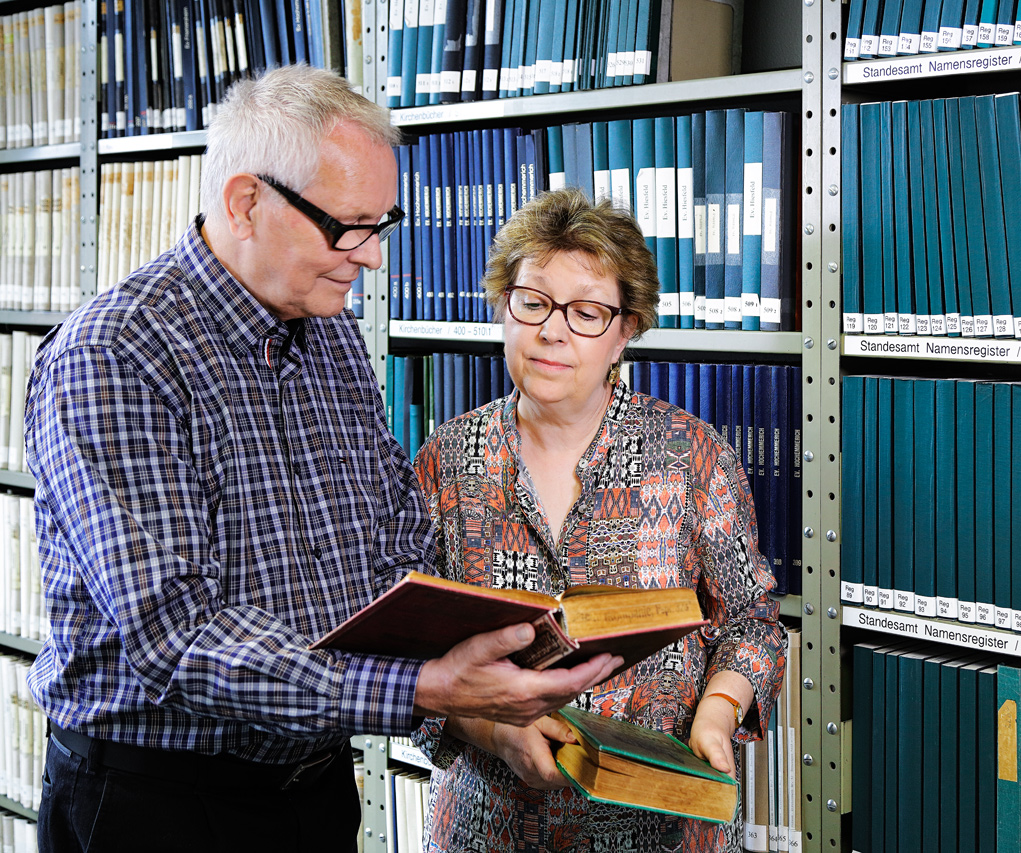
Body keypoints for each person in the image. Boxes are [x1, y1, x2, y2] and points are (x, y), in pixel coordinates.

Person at [25, 65, 619, 853]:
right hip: (154, 801)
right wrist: (425, 686)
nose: (371, 257)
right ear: (245, 203)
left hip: (315, 787)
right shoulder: (116, 355)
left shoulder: (330, 330)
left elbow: (391, 537)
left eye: (383, 223)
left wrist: (477, 695)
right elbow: (177, 635)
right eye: (349, 226)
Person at [411, 186, 788, 853]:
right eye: (533, 303)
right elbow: (413, 658)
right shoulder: (447, 459)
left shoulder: (691, 456)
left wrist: (717, 712)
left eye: (586, 312)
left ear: (626, 329)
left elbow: (752, 624)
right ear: (504, 306)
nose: (553, 330)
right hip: (488, 828)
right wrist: (493, 729)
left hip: (661, 828)